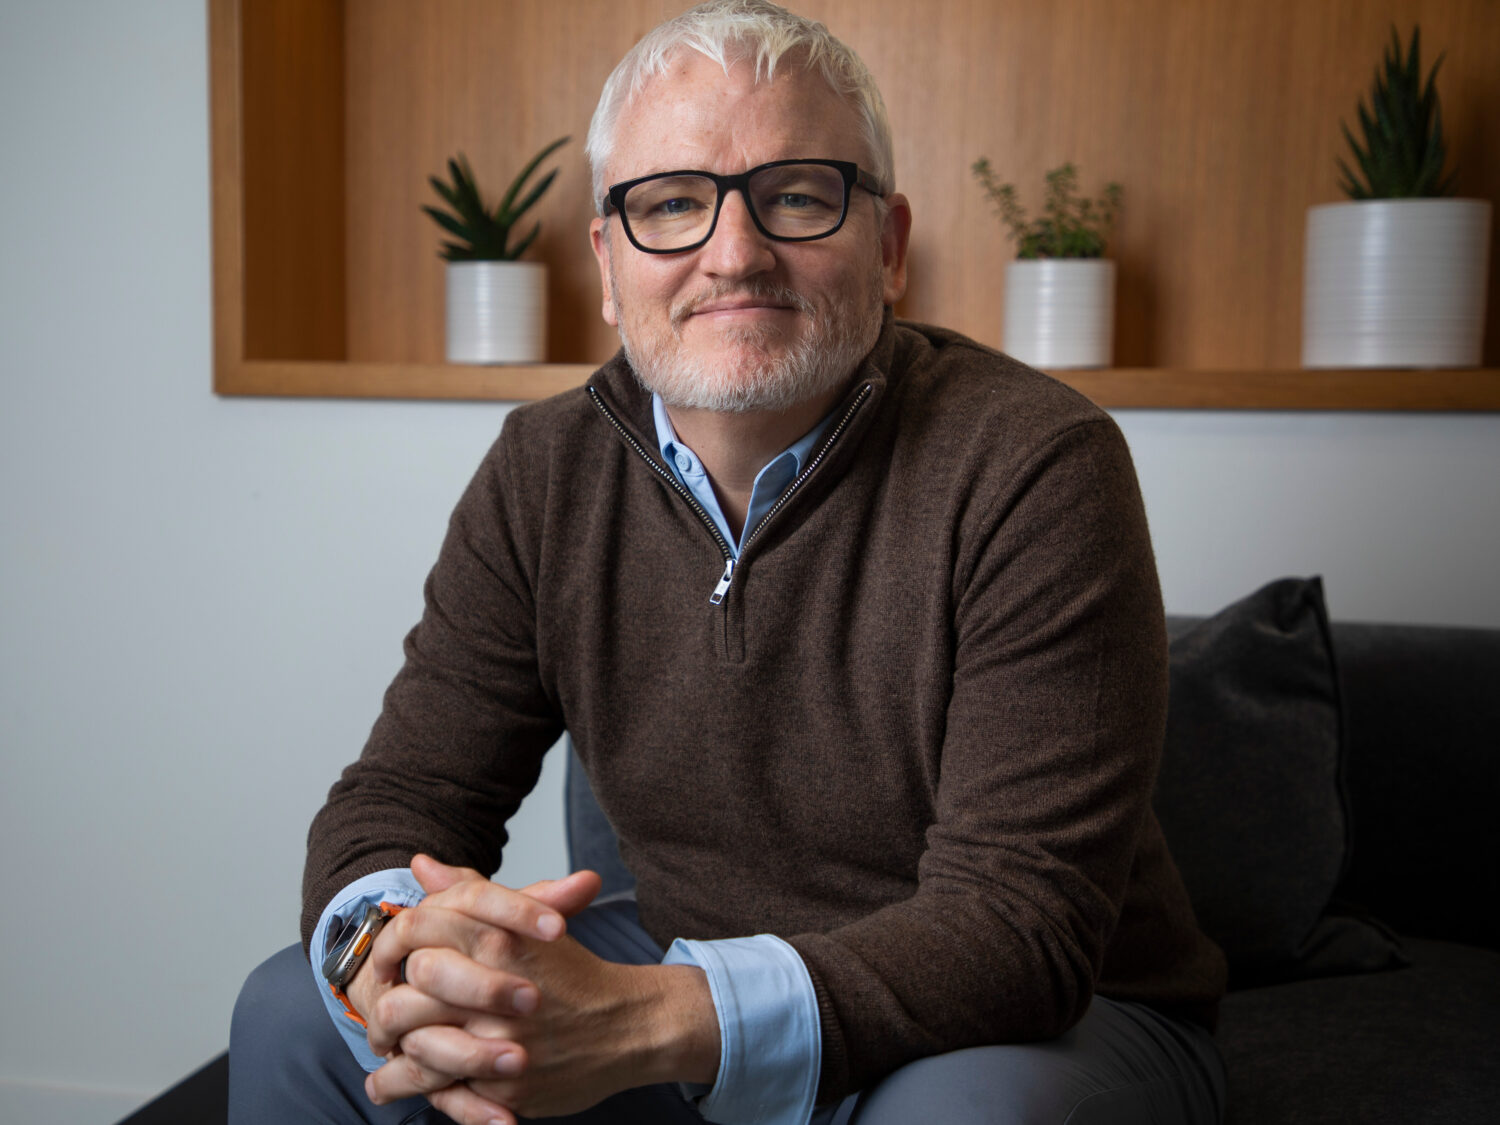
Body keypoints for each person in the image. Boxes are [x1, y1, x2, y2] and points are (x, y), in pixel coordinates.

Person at [229, 2, 1228, 1122]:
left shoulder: (1039, 464)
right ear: (608, 263)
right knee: (294, 1013)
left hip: (1036, 1021)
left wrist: (647, 1020)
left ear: (889, 245)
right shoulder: (540, 470)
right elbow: (406, 795)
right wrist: (392, 957)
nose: (735, 254)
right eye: (671, 205)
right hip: (684, 952)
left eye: (798, 196)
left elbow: (1021, 925)